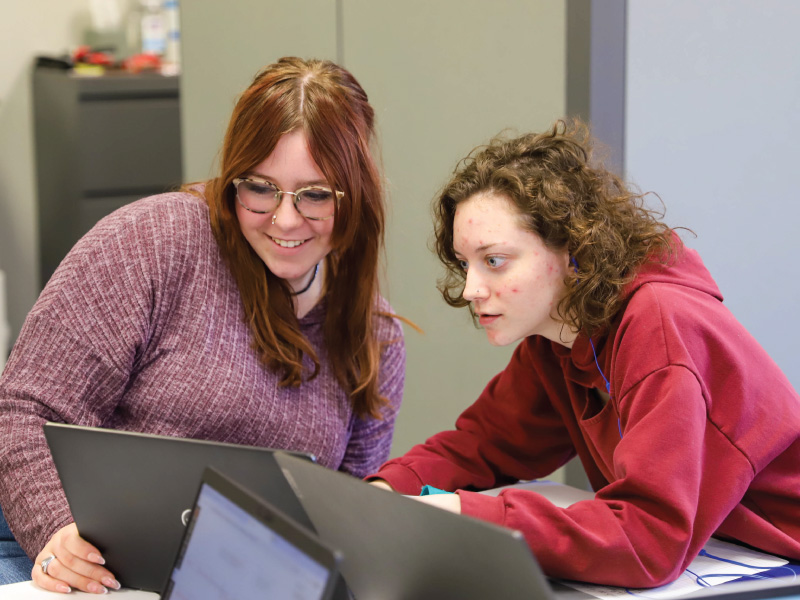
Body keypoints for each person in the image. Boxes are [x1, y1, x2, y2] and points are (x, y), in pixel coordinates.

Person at [0, 56, 406, 594]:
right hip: (69, 552)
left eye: (314, 195)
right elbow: (26, 411)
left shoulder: (373, 333)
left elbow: (347, 516)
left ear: (356, 197)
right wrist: (55, 529)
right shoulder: (155, 240)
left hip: (228, 582)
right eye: (260, 188)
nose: (286, 220)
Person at [369, 120, 800, 588]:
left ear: (572, 251)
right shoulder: (557, 337)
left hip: (776, 563)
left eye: (494, 261)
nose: (471, 289)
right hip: (721, 556)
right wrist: (385, 491)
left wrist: (458, 511)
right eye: (464, 263)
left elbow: (647, 541)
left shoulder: (660, 323)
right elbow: (485, 443)